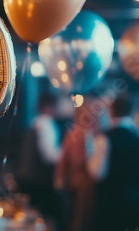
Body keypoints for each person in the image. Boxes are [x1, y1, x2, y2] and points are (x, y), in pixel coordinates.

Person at [87, 95, 139, 231]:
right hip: (133, 203)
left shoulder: (103, 138)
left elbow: (97, 174)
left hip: (108, 204)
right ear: (132, 111)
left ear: (111, 111)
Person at [55, 97, 109, 231]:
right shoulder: (76, 135)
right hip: (78, 184)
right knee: (78, 219)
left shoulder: (92, 135)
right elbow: (68, 159)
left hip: (86, 185)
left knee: (84, 218)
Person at [17, 93, 62, 228]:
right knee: (42, 221)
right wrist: (66, 155)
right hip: (39, 181)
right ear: (49, 107)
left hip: (28, 178)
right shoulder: (46, 124)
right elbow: (49, 156)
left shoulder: (36, 122)